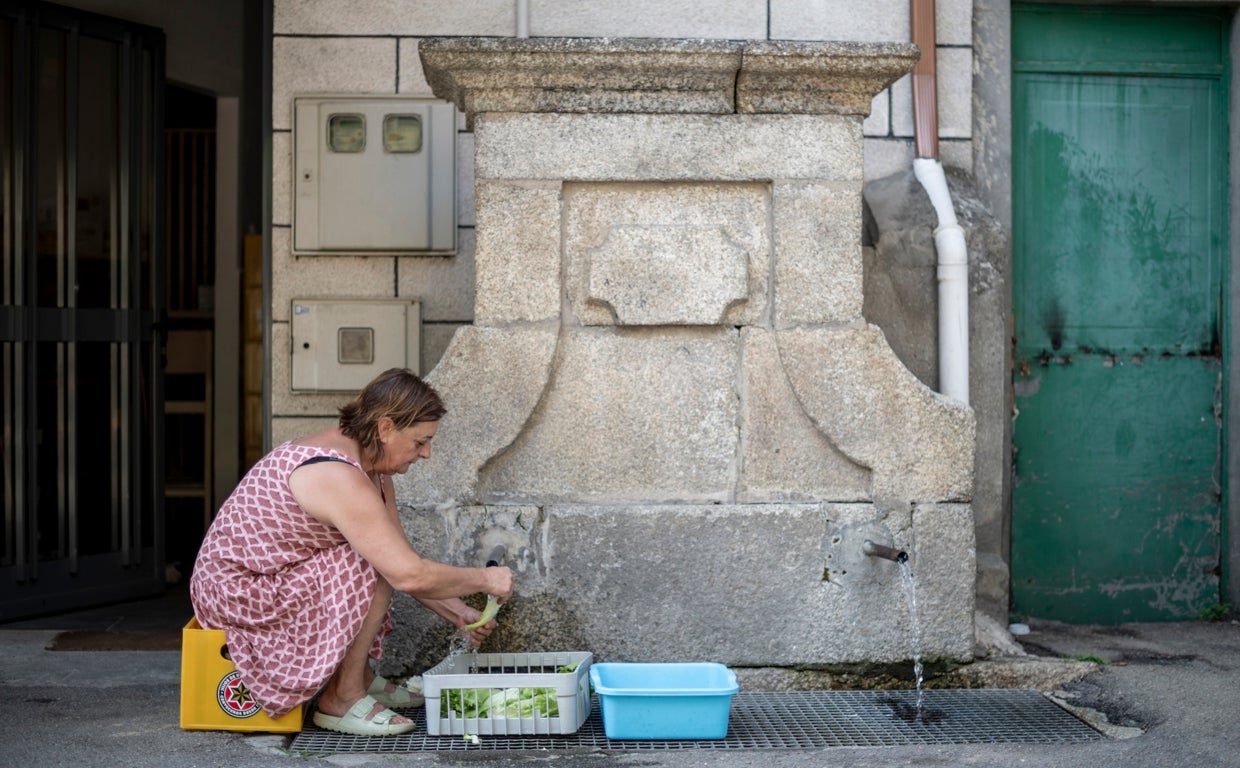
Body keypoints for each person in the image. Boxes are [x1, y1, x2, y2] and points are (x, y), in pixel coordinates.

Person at [190, 368, 513, 736]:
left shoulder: (373, 469)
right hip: (237, 592)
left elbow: (401, 558)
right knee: (364, 561)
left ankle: (358, 678)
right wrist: (487, 579)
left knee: (374, 553)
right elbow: (405, 573)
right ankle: (341, 699)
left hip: (270, 576)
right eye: (420, 441)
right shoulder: (336, 475)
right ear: (386, 428)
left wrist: (459, 612)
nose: (426, 453)